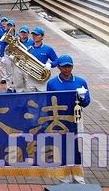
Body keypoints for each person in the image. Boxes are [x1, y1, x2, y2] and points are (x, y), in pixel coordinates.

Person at [47, 55, 90, 185]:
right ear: (59, 67)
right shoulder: (52, 83)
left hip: (76, 118)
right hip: (59, 119)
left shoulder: (81, 81)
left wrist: (82, 98)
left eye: (69, 66)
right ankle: (64, 178)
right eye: (64, 66)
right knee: (62, 148)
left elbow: (87, 102)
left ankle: (78, 178)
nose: (67, 69)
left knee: (77, 148)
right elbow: (48, 102)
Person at [25, 27, 57, 92]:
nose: (34, 36)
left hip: (42, 78)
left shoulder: (48, 49)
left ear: (42, 37)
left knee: (42, 99)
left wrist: (50, 64)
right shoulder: (29, 47)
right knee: (30, 98)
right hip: (30, 76)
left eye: (37, 35)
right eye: (33, 34)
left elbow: (56, 61)